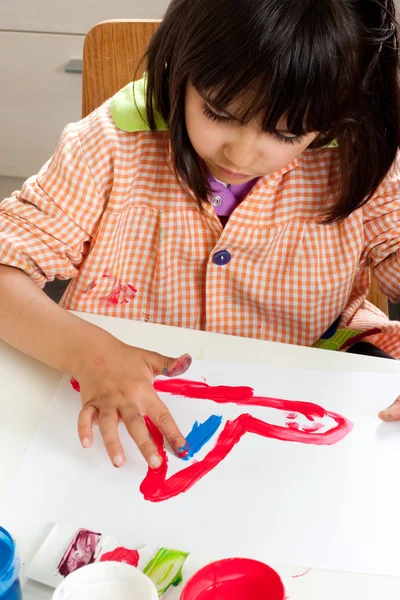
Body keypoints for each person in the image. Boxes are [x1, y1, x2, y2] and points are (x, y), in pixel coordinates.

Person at [0, 0, 399, 469]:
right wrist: (85, 351)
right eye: (219, 112)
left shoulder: (360, 159)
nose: (242, 153)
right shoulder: (109, 145)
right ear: (179, 66)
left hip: (303, 411)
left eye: (288, 134)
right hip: (111, 396)